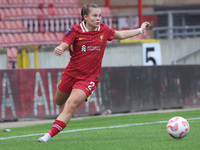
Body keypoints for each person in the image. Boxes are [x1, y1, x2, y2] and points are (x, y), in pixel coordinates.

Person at [38, 3, 150, 142]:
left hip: (89, 78)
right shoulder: (75, 30)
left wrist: (140, 30)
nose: (98, 18)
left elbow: (120, 34)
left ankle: (48, 135)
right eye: (95, 15)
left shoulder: (104, 30)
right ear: (85, 17)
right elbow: (64, 44)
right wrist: (59, 48)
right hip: (70, 74)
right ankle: (59, 119)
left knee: (70, 105)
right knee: (59, 101)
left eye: (100, 15)